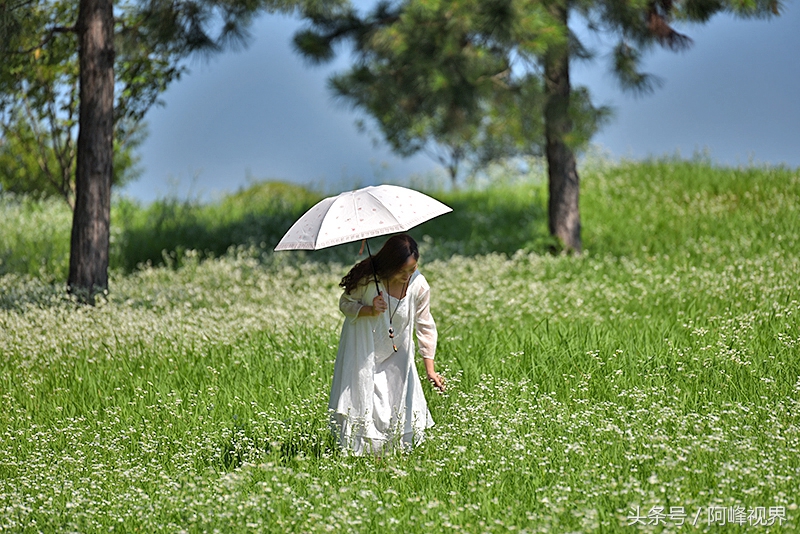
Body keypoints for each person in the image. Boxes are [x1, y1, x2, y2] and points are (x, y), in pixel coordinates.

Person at [329, 234, 445, 456]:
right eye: (402, 271)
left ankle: (394, 452)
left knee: (397, 397)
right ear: (390, 265)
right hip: (364, 346)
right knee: (363, 399)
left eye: (412, 269)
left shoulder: (418, 285)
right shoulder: (368, 282)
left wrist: (430, 369)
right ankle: (362, 453)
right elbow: (345, 303)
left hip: (397, 346)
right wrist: (369, 310)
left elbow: (425, 325)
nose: (407, 276)